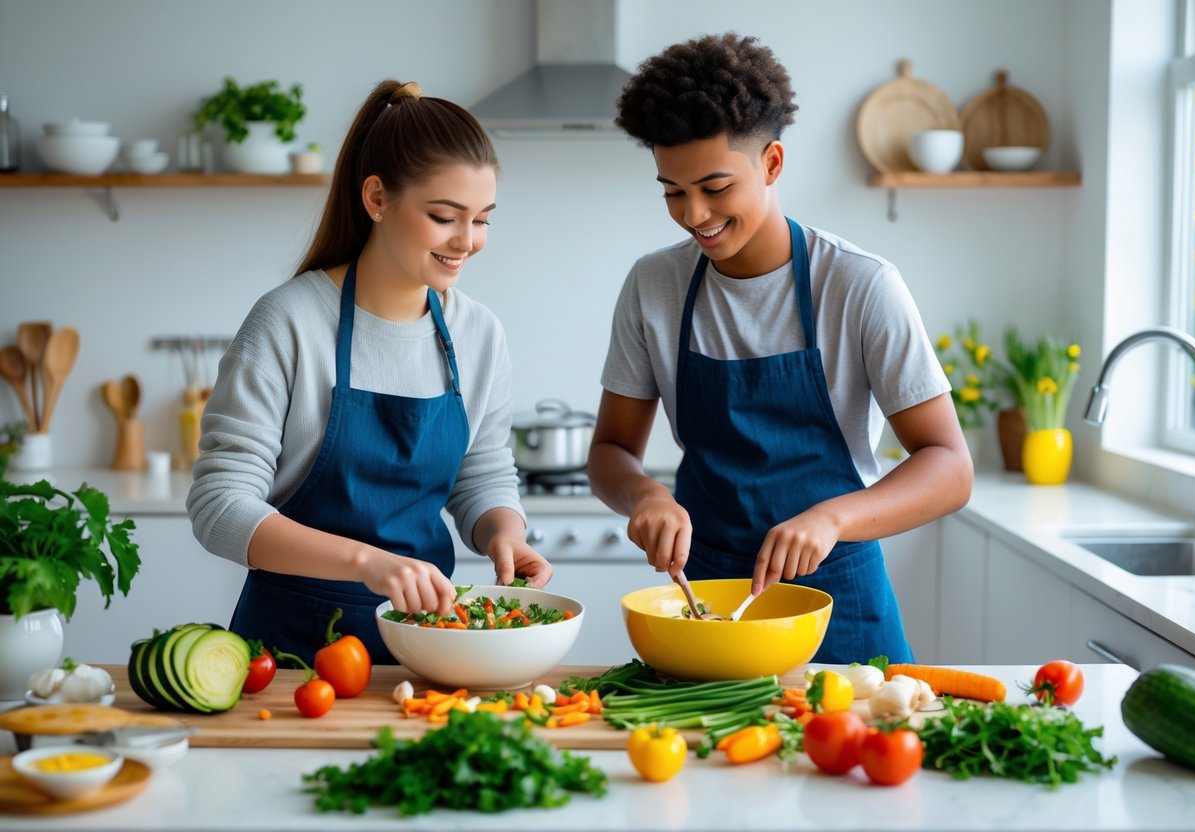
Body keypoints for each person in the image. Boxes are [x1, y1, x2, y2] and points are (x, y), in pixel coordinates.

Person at [588, 34, 972, 664]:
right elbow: (610, 452)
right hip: (708, 603)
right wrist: (646, 497)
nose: (694, 214)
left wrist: (833, 520)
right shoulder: (654, 286)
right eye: (672, 191)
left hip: (839, 603)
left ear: (771, 164)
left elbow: (950, 467)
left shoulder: (858, 285)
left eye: (715, 187)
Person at [187, 80, 552, 663]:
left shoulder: (478, 333)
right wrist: (367, 563)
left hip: (430, 645)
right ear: (378, 198)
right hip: (288, 656)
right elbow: (219, 507)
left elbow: (481, 475)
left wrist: (504, 533)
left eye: (482, 220)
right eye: (444, 216)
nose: (469, 241)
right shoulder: (289, 321)